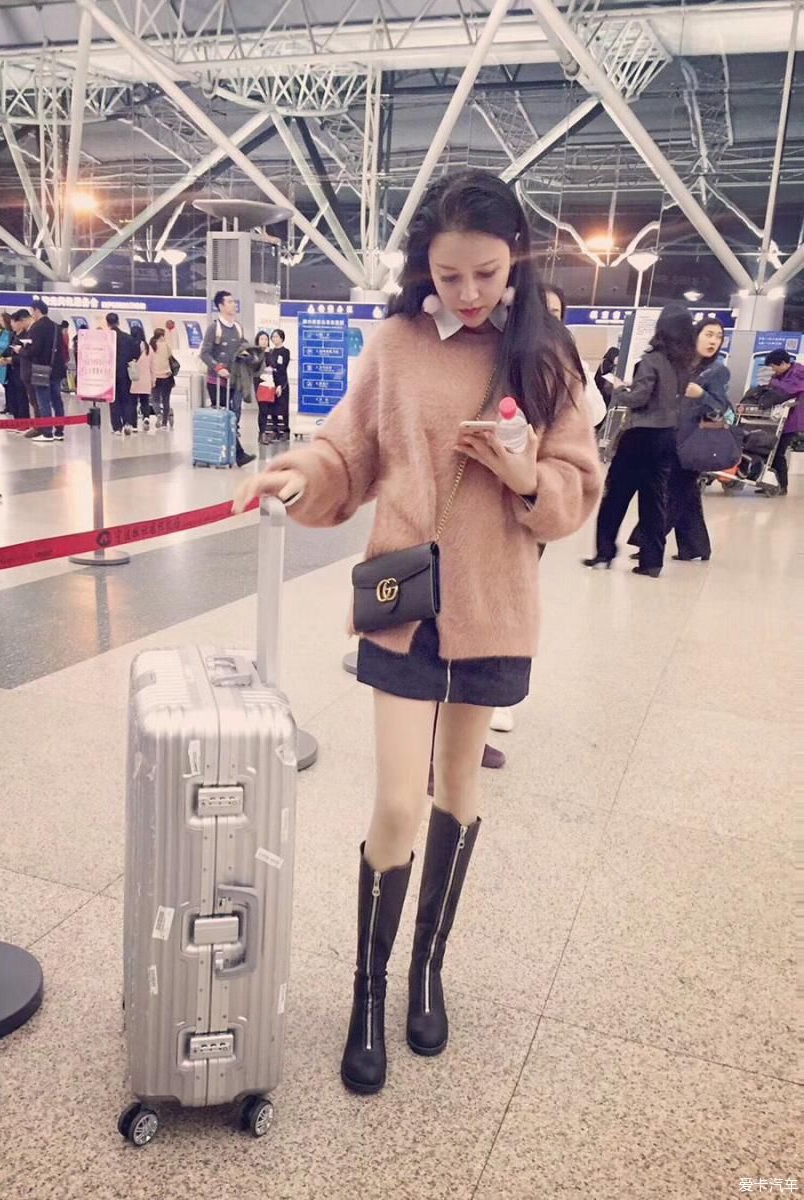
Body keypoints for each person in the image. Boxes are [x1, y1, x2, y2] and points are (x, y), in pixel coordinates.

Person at [233, 168, 601, 1096]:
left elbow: (576, 488)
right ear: (422, 270)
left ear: (515, 258)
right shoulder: (395, 345)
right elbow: (348, 450)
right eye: (448, 275)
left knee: (459, 788)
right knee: (397, 801)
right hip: (403, 598)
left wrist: (526, 476)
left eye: (486, 272)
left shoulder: (546, 355)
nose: (468, 292)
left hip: (495, 601)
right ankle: (367, 988)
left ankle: (426, 969)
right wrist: (300, 475)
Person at [583, 303, 692, 577]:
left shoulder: (652, 360)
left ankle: (604, 553)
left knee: (616, 496)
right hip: (667, 436)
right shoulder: (683, 364)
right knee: (654, 501)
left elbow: (639, 398)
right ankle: (652, 561)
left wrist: (618, 389)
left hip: (641, 437)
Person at [628, 317, 731, 562]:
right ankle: (695, 547)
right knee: (686, 493)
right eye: (709, 334)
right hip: (669, 434)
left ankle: (648, 541)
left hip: (693, 440)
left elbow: (720, 407)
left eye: (718, 337)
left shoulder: (717, 371)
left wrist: (701, 394)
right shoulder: (681, 364)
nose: (713, 341)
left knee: (671, 491)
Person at [199, 290, 255, 467]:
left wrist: (248, 354)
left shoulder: (237, 327)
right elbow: (204, 353)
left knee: (233, 416)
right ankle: (238, 455)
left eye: (233, 301)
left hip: (234, 380)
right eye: (229, 302)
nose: (233, 304)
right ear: (221, 306)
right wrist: (218, 368)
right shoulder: (214, 328)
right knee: (225, 416)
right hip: (217, 382)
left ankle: (229, 453)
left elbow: (242, 346)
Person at [544, 284, 607, 426]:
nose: (547, 320)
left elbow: (596, 413)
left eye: (554, 314)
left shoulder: (567, 356)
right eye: (541, 312)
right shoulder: (508, 353)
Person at [760, 349, 804, 495]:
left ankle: (782, 486)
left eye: (774, 366)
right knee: (771, 451)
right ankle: (770, 483)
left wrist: (773, 382)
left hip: (792, 421)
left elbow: (788, 390)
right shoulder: (784, 374)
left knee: (778, 452)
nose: (773, 370)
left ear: (784, 363)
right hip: (781, 421)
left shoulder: (799, 373)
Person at [26, 299, 67, 443]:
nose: (32, 314)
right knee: (57, 400)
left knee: (43, 401)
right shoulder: (56, 327)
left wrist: (22, 350)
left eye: (32, 311)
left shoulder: (37, 327)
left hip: (41, 369)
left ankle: (47, 432)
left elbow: (35, 350)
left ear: (37, 310)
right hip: (57, 368)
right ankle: (59, 431)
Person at [105, 312, 139, 435]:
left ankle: (116, 427)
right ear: (118, 322)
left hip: (110, 373)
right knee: (126, 399)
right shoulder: (128, 338)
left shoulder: (105, 338)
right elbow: (135, 355)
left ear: (107, 323)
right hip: (125, 373)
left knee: (113, 400)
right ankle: (127, 423)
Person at [0, 309, 31, 427]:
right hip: (12, 371)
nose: (12, 324)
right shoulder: (13, 336)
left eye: (13, 322)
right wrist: (3, 358)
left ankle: (24, 422)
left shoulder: (25, 337)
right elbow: (8, 350)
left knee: (22, 397)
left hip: (21, 370)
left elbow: (26, 356)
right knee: (14, 396)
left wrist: (11, 360)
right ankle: (16, 421)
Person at [266, 328, 291, 442]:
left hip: (282, 382)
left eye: (276, 336)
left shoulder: (285, 351)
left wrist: (280, 385)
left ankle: (285, 431)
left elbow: (282, 367)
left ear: (281, 338)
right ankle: (275, 430)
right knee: (273, 407)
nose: (274, 339)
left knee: (283, 407)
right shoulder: (270, 351)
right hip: (272, 382)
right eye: (273, 337)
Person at [149, 326, 176, 429]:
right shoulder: (166, 345)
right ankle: (164, 423)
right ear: (161, 336)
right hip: (166, 376)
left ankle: (158, 414)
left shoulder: (151, 346)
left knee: (155, 399)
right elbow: (170, 356)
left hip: (155, 377)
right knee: (166, 400)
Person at [130, 335, 153, 432]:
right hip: (146, 379)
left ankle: (134, 425)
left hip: (135, 378)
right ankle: (146, 417)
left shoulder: (132, 346)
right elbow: (152, 365)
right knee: (145, 401)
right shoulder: (149, 348)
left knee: (133, 403)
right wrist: (153, 379)